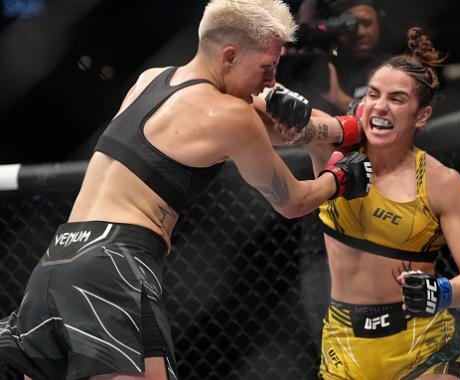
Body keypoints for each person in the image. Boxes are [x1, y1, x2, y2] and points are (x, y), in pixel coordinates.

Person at [0, 1, 373, 379]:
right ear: (229, 55)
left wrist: (346, 128)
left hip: (56, 262)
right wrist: (340, 178)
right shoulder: (232, 116)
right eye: (266, 67)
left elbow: (283, 128)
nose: (271, 81)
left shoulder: (151, 78)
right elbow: (292, 201)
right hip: (112, 266)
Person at [261, 26, 460, 379]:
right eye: (373, 94)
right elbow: (268, 122)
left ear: (422, 115)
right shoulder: (333, 146)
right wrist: (279, 103)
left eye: (397, 98)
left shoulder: (442, 183)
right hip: (345, 346)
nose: (381, 106)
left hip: (422, 345)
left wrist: (443, 292)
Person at [294, 0, 391, 115]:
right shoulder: (320, 68)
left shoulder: (393, 68)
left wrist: (342, 101)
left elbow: (388, 116)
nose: (360, 32)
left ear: (379, 25)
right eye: (349, 26)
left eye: (366, 23)